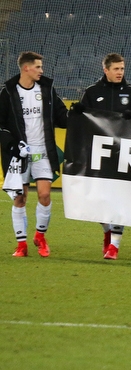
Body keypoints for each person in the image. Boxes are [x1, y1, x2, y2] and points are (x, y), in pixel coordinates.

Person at [0, 52, 68, 258]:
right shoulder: (8, 93)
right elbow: (1, 125)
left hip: (43, 150)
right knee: (20, 198)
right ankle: (21, 245)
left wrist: (80, 117)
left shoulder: (46, 90)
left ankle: (40, 236)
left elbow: (61, 117)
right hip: (19, 153)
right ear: (26, 68)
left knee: (45, 195)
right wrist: (13, 144)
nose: (41, 70)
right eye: (38, 67)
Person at [79, 53, 131, 260]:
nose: (120, 73)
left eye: (122, 69)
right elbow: (82, 122)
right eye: (116, 69)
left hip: (124, 155)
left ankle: (114, 246)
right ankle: (107, 228)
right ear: (105, 70)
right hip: (98, 154)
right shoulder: (92, 92)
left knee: (119, 201)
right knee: (95, 202)